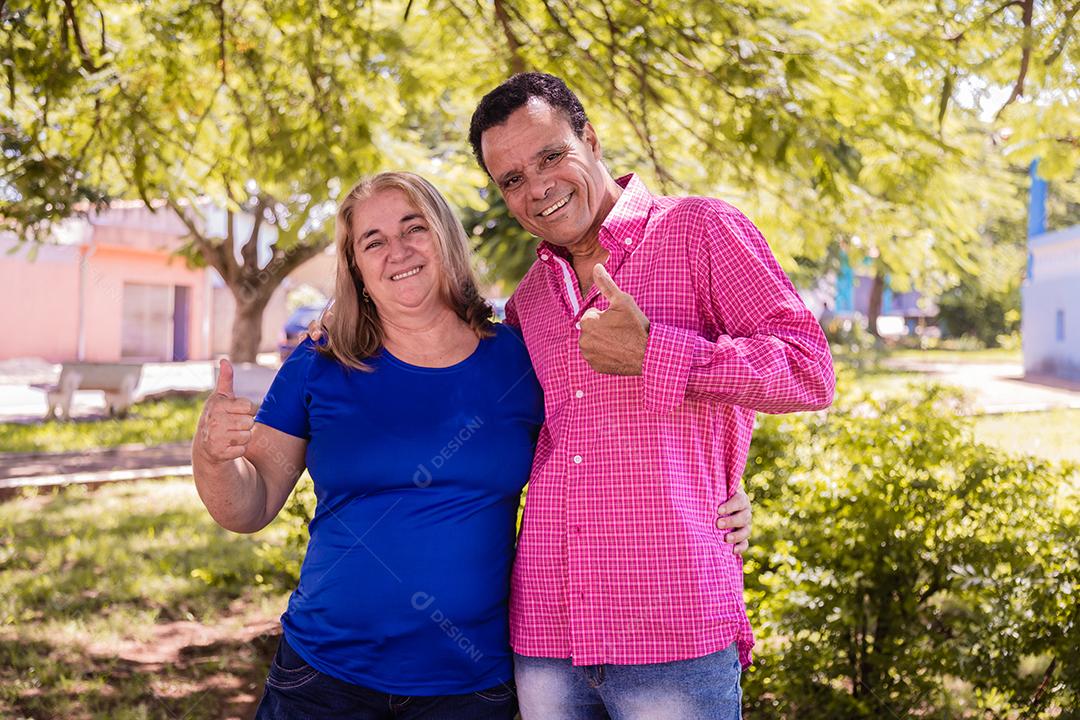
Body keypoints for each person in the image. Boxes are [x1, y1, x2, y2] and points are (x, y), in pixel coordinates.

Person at [192, 169, 758, 718]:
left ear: (444, 235)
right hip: (322, 679)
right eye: (373, 241)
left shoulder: (516, 353)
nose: (399, 250)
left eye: (414, 227)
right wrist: (213, 457)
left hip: (470, 687)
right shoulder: (321, 363)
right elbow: (251, 503)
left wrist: (721, 491)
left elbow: (598, 441)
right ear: (356, 267)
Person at [468, 73, 836, 719]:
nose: (538, 189)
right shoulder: (529, 300)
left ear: (591, 138)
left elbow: (809, 371)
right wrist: (357, 323)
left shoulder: (701, 231)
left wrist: (656, 354)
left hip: (672, 629)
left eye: (551, 156)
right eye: (512, 179)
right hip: (548, 634)